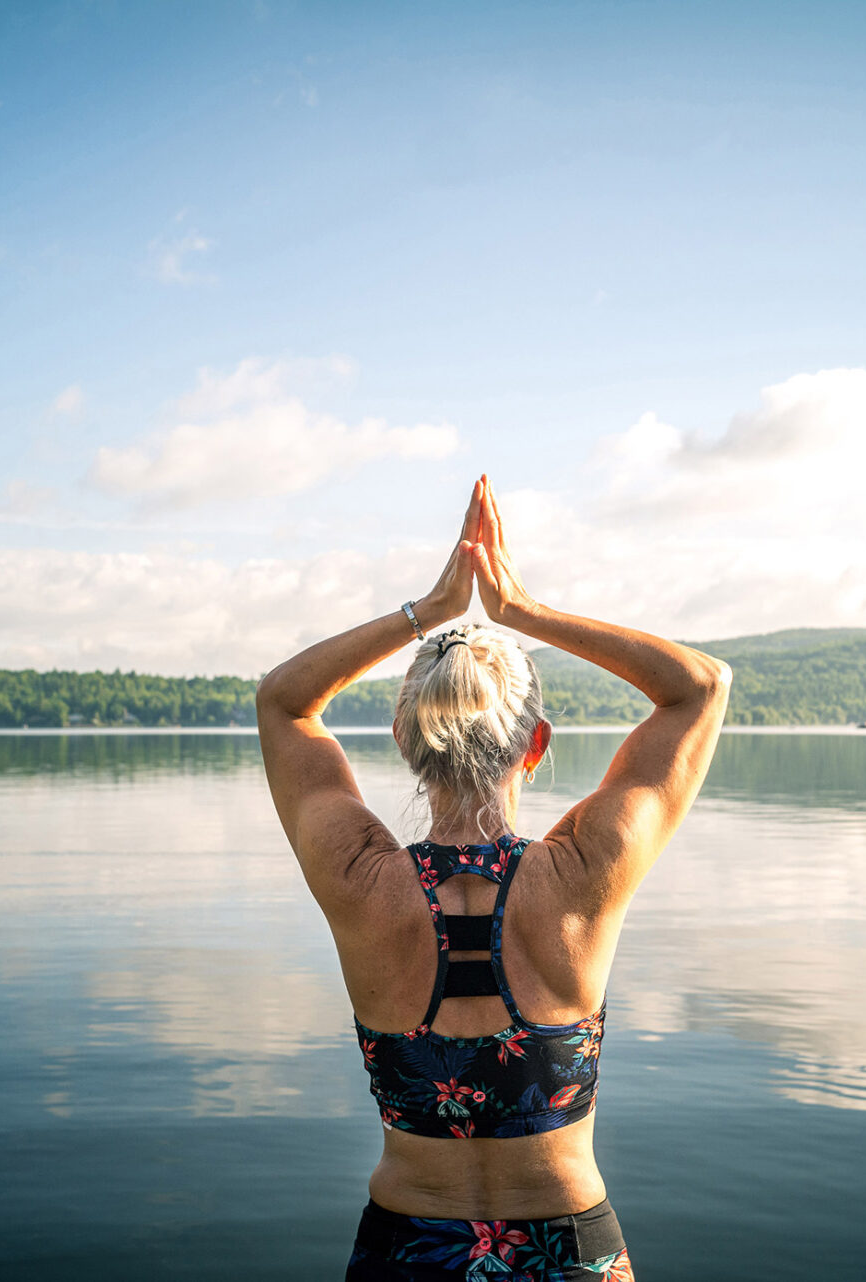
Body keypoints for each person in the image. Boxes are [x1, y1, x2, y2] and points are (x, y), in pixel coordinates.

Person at [256, 476, 731, 1280]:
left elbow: (283, 703)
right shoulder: (585, 871)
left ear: (407, 744)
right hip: (568, 1252)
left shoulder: (359, 879)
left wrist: (430, 613)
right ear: (536, 744)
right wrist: (519, 611)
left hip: (408, 1248)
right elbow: (699, 687)